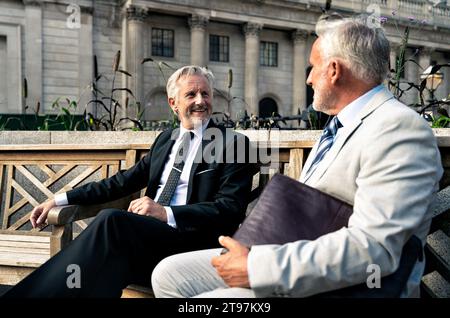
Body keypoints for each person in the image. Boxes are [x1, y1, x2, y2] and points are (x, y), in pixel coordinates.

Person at [150, 16, 444, 298]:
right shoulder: (340, 125)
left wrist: (258, 266)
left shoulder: (399, 128)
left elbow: (374, 249)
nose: (308, 79)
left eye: (312, 67)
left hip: (344, 285)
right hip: (296, 254)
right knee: (168, 274)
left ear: (334, 71)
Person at [3, 65, 254, 298]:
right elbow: (121, 183)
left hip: (193, 242)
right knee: (109, 263)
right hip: (148, 241)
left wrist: (165, 212)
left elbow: (229, 210)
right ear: (173, 103)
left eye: (205, 94)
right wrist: (60, 198)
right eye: (191, 94)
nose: (201, 101)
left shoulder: (233, 144)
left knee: (112, 222)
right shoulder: (166, 141)